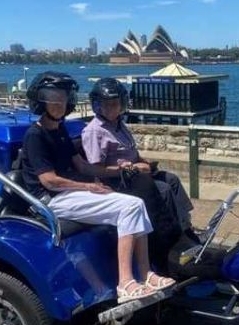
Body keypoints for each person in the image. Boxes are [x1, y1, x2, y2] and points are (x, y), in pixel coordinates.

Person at [22, 71, 175, 303]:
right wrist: (88, 188)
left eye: (63, 98)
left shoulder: (59, 130)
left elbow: (83, 166)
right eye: (53, 98)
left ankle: (146, 275)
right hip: (52, 199)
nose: (59, 104)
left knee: (137, 203)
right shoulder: (35, 135)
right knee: (130, 207)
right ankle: (125, 282)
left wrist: (120, 170)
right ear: (40, 100)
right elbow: (49, 180)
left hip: (70, 192)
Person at [82, 78, 194, 232]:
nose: (113, 109)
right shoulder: (95, 131)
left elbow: (129, 151)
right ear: (97, 106)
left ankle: (186, 226)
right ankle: (173, 234)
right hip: (118, 180)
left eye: (116, 104)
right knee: (164, 189)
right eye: (107, 105)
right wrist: (131, 168)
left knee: (172, 179)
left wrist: (143, 162)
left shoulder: (119, 124)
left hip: (137, 173)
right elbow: (96, 170)